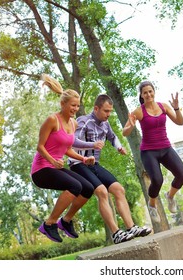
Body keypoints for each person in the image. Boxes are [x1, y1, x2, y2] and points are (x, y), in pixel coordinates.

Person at [69, 94, 152, 244]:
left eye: (110, 111)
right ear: (96, 108)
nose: (108, 114)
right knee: (101, 192)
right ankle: (115, 233)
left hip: (94, 164)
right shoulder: (83, 122)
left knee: (119, 189)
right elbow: (73, 142)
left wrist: (119, 146)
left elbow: (113, 137)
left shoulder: (105, 124)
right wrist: (92, 145)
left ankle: (131, 227)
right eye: (106, 111)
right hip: (78, 163)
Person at [31, 74, 97, 242]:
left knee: (88, 188)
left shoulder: (73, 124)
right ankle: (49, 223)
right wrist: (52, 160)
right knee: (75, 185)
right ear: (63, 104)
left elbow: (67, 148)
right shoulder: (52, 120)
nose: (75, 109)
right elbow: (40, 146)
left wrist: (83, 159)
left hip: (55, 167)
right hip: (41, 169)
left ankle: (66, 221)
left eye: (77, 106)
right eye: (72, 105)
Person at [122, 81, 183, 223]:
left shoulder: (163, 106)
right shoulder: (139, 111)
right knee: (157, 180)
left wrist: (176, 109)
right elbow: (124, 132)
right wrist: (131, 126)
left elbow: (179, 122)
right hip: (148, 151)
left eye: (150, 91)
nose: (148, 94)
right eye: (145, 92)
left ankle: (170, 196)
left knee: (182, 174)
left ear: (154, 91)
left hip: (165, 148)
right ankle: (152, 205)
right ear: (141, 95)